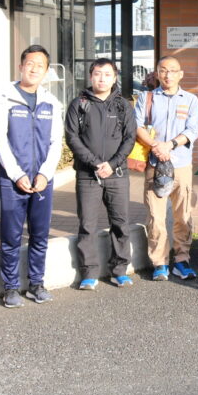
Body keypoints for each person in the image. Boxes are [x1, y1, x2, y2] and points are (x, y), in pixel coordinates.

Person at [0, 45, 63, 308]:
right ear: (21, 66)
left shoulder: (51, 102)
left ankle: (36, 284)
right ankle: (10, 288)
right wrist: (16, 174)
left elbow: (56, 142)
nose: (34, 69)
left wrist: (45, 174)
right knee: (11, 235)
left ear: (46, 71)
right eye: (29, 63)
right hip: (13, 180)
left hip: (42, 179)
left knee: (40, 234)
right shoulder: (4, 98)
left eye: (40, 65)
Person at [65, 58, 137, 290]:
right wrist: (96, 163)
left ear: (114, 78)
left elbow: (130, 138)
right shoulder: (79, 104)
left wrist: (112, 164)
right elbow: (72, 138)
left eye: (107, 74)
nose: (102, 78)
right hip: (88, 175)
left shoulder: (123, 105)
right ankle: (89, 273)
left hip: (117, 174)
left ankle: (119, 270)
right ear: (90, 76)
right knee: (87, 224)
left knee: (120, 223)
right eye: (97, 73)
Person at [133, 56, 198, 281]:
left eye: (172, 70)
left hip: (181, 165)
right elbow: (137, 126)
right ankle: (160, 262)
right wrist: (156, 146)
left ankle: (182, 260)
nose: (168, 75)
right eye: (163, 70)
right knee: (156, 216)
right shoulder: (147, 97)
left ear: (181, 74)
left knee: (183, 215)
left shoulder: (190, 100)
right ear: (157, 73)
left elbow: (192, 130)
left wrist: (169, 145)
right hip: (155, 164)